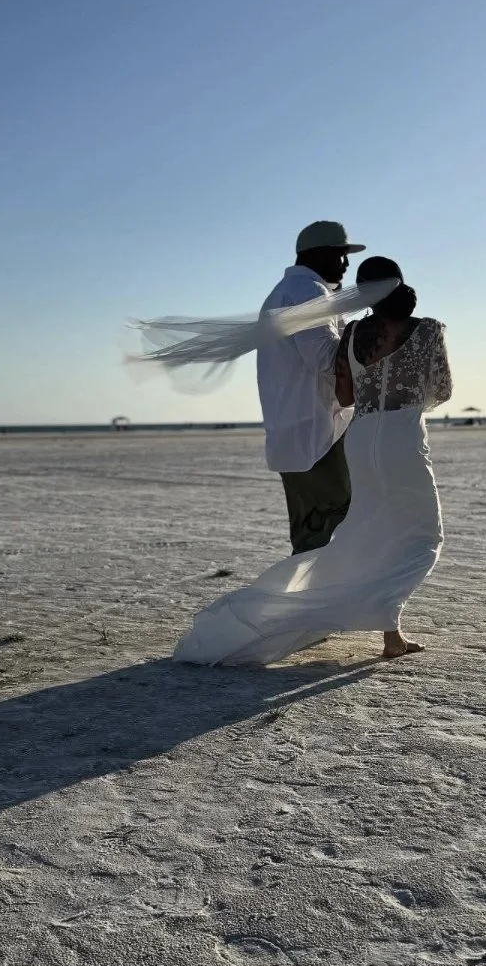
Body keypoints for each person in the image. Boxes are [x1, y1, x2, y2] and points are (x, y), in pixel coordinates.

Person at [173, 257, 452, 666]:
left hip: (360, 437)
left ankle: (391, 632)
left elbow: (345, 397)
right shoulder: (427, 330)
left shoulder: (354, 332)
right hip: (402, 437)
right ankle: (382, 619)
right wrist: (407, 394)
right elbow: (441, 389)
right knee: (424, 536)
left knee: (367, 532)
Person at [256, 219, 366, 555]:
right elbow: (324, 357)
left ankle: (302, 604)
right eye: (342, 255)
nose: (347, 265)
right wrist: (366, 334)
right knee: (330, 530)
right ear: (322, 255)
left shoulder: (284, 292)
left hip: (297, 435)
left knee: (311, 536)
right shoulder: (308, 292)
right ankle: (307, 605)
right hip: (316, 437)